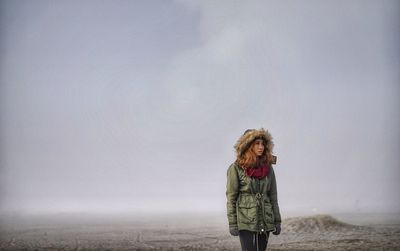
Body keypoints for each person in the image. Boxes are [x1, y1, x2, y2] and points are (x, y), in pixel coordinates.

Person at [226, 128, 282, 251]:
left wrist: (277, 221)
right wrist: (233, 223)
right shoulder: (235, 169)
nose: (261, 147)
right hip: (246, 220)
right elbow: (231, 198)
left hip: (265, 219)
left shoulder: (268, 168)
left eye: (262, 144)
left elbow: (273, 196)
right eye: (257, 143)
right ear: (248, 146)